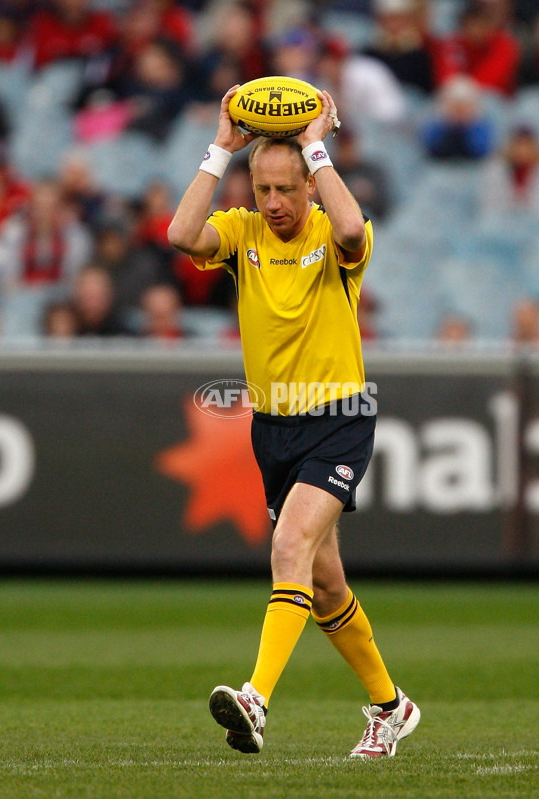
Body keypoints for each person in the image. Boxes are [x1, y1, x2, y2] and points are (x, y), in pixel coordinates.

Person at [168, 85, 420, 758]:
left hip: (339, 419)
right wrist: (221, 148)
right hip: (272, 428)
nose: (274, 203)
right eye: (264, 189)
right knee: (326, 581)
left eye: (286, 188)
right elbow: (181, 234)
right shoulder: (243, 233)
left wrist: (317, 144)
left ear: (310, 183)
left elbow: (346, 228)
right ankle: (391, 706)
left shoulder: (337, 235)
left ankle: (255, 697)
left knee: (288, 553)